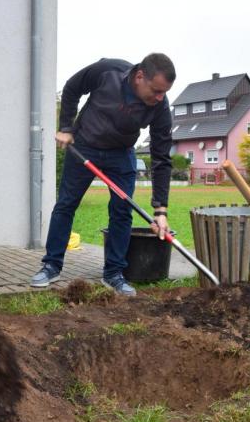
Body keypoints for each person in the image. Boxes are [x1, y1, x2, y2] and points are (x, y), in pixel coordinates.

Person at [31, 54, 176, 296]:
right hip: (85, 146)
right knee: (66, 205)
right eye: (156, 90)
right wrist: (66, 128)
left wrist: (161, 210)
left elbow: (161, 158)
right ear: (140, 76)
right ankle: (51, 265)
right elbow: (72, 88)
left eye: (164, 92)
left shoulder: (160, 107)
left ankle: (114, 273)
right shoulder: (107, 71)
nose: (160, 98)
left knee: (121, 211)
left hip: (121, 154)